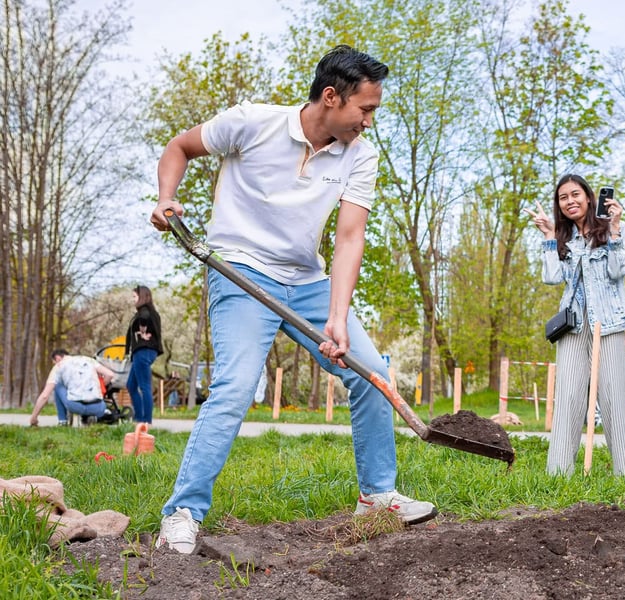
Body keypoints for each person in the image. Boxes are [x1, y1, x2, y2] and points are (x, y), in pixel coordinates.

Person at [149, 45, 435, 555]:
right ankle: (184, 511)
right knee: (236, 387)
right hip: (239, 271)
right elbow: (179, 148)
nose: (370, 122)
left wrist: (337, 317)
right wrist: (167, 195)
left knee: (372, 374)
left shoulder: (360, 155)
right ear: (331, 97)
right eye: (365, 109)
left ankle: (376, 496)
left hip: (306, 281)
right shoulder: (251, 123)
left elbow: (349, 238)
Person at [526, 174, 625, 476]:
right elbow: (550, 277)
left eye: (575, 194)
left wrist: (612, 231)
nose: (570, 201)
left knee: (615, 397)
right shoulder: (563, 239)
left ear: (589, 197)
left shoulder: (617, 229)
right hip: (573, 327)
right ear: (559, 206)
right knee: (569, 397)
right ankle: (559, 474)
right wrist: (549, 237)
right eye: (563, 198)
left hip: (608, 324)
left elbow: (618, 271)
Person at [29, 349, 117, 427]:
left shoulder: (59, 366)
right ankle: (96, 415)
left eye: (54, 362)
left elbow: (45, 396)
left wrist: (34, 418)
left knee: (58, 385)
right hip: (99, 406)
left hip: (75, 406)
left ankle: (62, 421)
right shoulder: (88, 360)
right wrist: (99, 385)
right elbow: (110, 374)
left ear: (57, 358)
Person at [125, 285, 164, 424]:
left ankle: (145, 421)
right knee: (131, 385)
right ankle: (139, 418)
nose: (133, 300)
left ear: (142, 297)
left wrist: (142, 331)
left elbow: (145, 318)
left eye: (134, 297)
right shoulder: (148, 312)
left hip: (144, 351)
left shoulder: (145, 312)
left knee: (144, 386)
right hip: (142, 352)